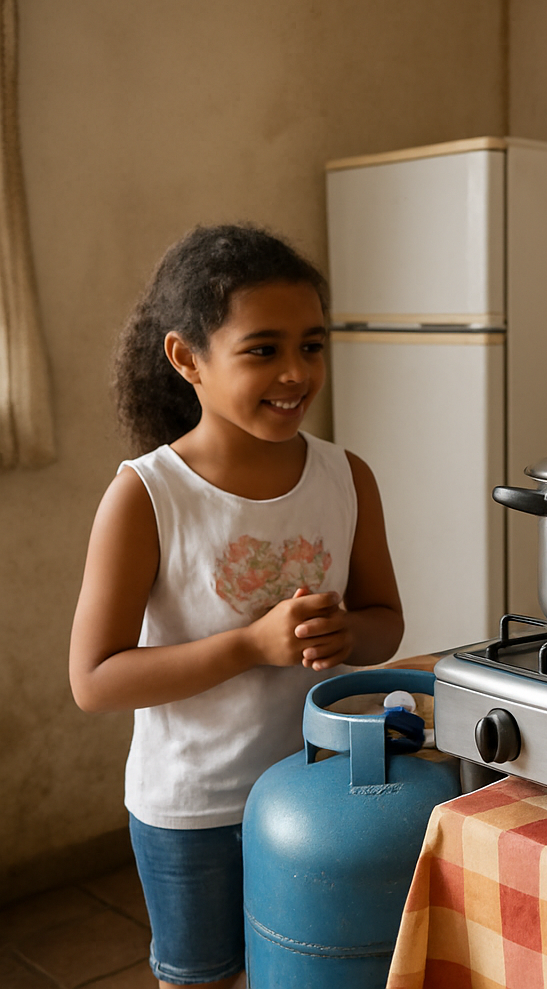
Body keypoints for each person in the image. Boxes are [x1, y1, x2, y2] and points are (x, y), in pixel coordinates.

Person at [69, 225, 404, 989]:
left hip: (317, 793)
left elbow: (385, 622)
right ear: (187, 359)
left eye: (312, 345)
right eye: (263, 349)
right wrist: (250, 646)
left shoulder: (347, 477)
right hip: (193, 814)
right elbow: (94, 680)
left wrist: (348, 633)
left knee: (307, 974)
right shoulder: (147, 496)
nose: (296, 372)